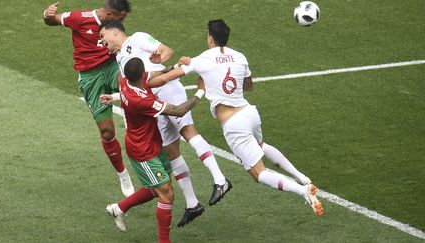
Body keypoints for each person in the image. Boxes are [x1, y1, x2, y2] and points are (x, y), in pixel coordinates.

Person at [150, 19, 324, 217]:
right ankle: (303, 178)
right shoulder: (240, 56)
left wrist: (144, 82)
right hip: (250, 113)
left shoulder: (202, 59)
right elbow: (249, 85)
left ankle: (303, 191)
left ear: (210, 38)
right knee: (261, 145)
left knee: (259, 174)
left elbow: (164, 79)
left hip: (234, 124)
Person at [99, 20, 232, 226]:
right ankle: (192, 204)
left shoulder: (138, 38)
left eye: (103, 35)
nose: (101, 40)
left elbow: (166, 51)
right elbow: (136, 86)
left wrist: (159, 58)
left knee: (188, 132)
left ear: (115, 32)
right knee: (171, 151)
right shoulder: (121, 57)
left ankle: (220, 179)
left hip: (167, 91)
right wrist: (115, 97)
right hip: (153, 103)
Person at [100, 57, 205, 243]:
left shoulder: (126, 81)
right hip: (143, 152)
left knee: (159, 187)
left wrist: (173, 67)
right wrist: (200, 92)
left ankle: (118, 208)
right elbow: (179, 110)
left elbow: (155, 74)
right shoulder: (142, 100)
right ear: (141, 74)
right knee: (166, 194)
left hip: (153, 144)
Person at [42, 1, 135, 197]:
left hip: (111, 67)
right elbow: (52, 20)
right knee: (107, 132)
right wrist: (47, 14)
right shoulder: (78, 18)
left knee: (131, 87)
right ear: (110, 15)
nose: (122, 22)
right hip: (90, 77)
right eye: (121, 17)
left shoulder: (112, 26)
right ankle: (122, 174)